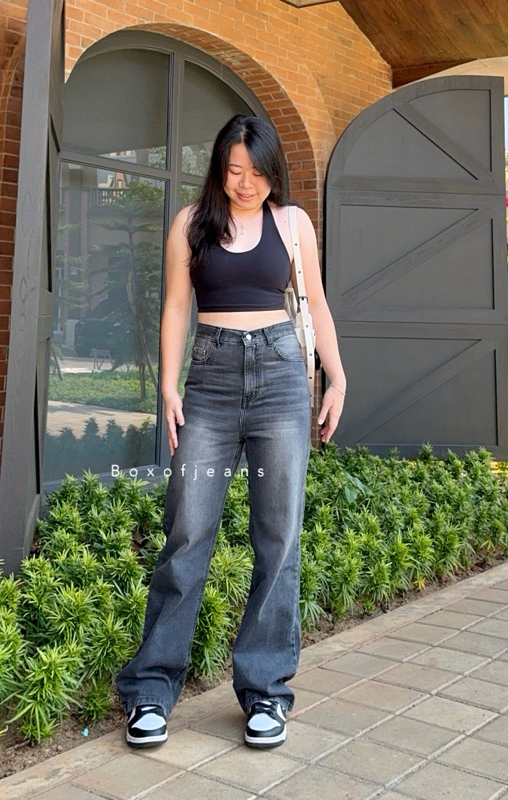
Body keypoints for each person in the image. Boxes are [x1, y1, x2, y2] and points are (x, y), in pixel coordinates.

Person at [115, 115, 347, 750]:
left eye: (259, 173)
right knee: (188, 531)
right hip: (211, 380)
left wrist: (336, 376)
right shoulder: (191, 223)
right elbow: (175, 306)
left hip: (281, 378)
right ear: (219, 168)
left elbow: (316, 302)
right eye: (235, 171)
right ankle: (151, 688)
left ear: (274, 172)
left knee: (279, 536)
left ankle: (265, 690)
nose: (247, 184)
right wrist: (168, 385)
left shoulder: (292, 224)